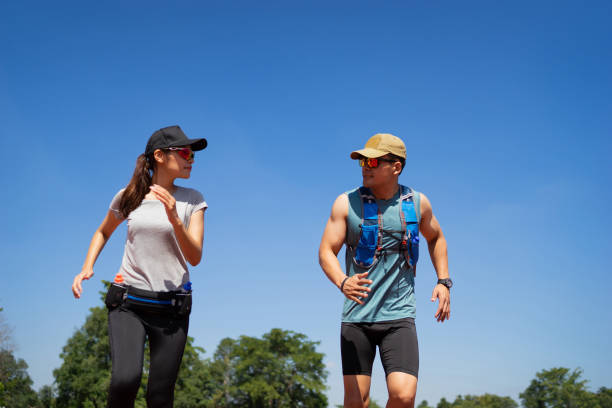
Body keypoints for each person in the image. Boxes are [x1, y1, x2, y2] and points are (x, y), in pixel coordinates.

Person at [71, 125, 208, 408]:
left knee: (159, 396)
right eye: (184, 152)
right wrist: (87, 266)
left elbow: (194, 256)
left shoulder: (193, 199)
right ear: (159, 155)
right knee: (125, 380)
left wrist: (173, 218)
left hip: (172, 309)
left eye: (193, 154)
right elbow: (103, 231)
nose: (190, 159)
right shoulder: (129, 196)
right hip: (128, 303)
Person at [318, 133, 452, 408]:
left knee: (403, 396)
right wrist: (342, 281)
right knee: (357, 402)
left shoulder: (417, 203)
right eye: (363, 163)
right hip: (357, 317)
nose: (366, 168)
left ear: (396, 167)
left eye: (373, 162)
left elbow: (436, 237)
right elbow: (325, 252)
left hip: (399, 316)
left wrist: (443, 281)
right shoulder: (346, 202)